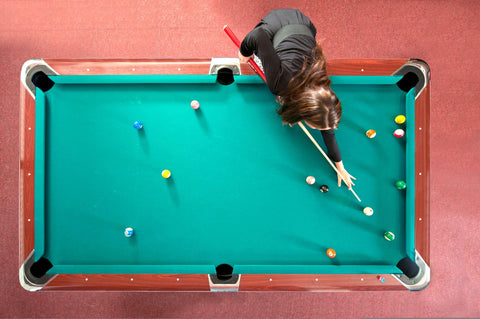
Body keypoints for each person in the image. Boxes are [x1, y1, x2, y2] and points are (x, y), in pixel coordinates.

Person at [238, 8, 355, 189]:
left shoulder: (322, 90)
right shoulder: (279, 84)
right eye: (317, 126)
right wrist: (244, 52)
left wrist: (340, 165)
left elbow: (328, 130)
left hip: (306, 25)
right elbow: (258, 35)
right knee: (262, 62)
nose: (324, 129)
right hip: (277, 24)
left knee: (281, 88)